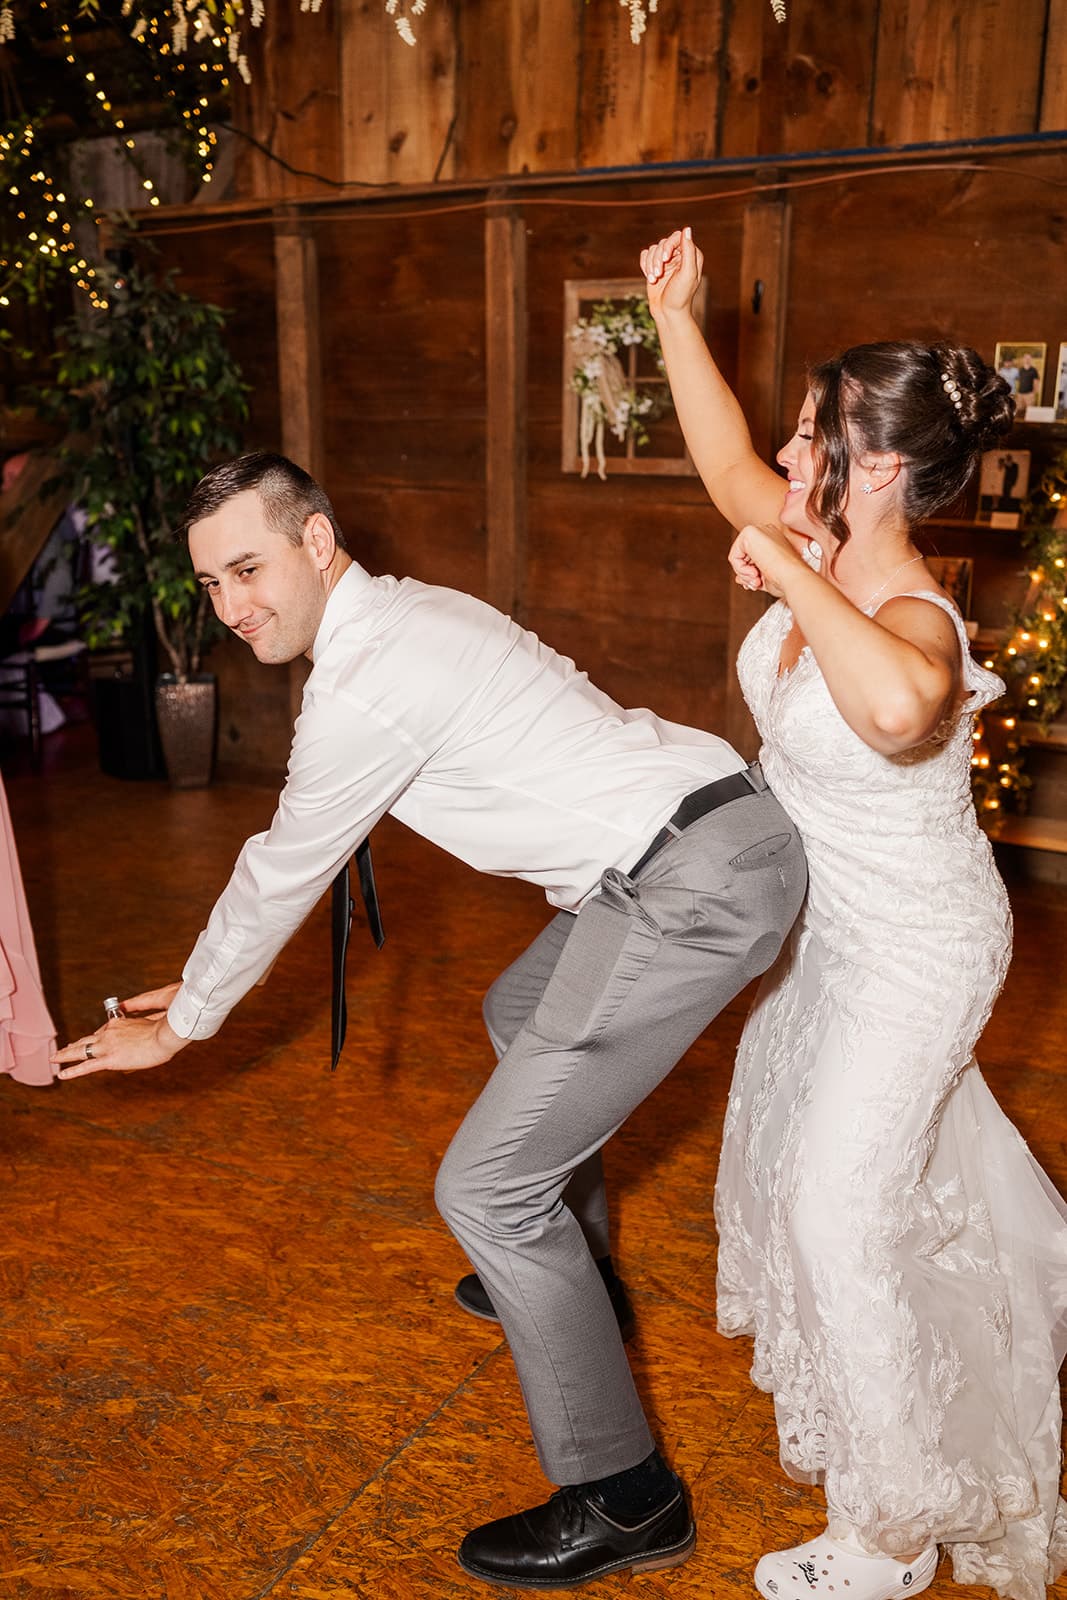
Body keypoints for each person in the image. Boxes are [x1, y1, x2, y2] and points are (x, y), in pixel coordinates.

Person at [52, 450, 807, 1590]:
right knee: (518, 1006)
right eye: (210, 584)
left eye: (248, 566)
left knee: (483, 1190)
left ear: (315, 541)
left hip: (685, 882)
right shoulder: (409, 613)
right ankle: (576, 1274)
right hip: (703, 824)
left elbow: (280, 868)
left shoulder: (363, 680)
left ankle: (625, 1494)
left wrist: (187, 1019)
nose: (233, 604)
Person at [641, 225, 1067, 1600]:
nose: (785, 451)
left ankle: (889, 1534)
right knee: (850, 1165)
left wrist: (795, 573)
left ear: (876, 462)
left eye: (813, 434)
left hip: (922, 945)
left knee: (837, 1206)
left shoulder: (913, 610)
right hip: (833, 939)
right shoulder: (810, 538)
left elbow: (890, 705)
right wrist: (673, 317)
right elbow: (721, 468)